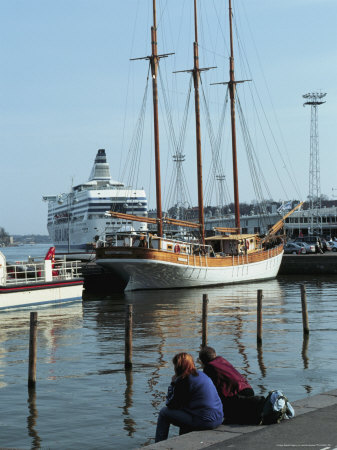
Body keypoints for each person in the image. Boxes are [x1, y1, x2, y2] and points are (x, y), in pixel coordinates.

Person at [155, 352, 223, 443]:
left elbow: (171, 404)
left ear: (178, 366)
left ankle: (158, 444)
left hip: (205, 421)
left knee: (164, 413)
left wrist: (172, 384)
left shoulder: (184, 380)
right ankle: (182, 440)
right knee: (184, 410)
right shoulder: (201, 375)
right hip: (218, 418)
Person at [199, 346, 264, 424]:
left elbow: (210, 391)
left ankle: (255, 404)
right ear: (214, 355)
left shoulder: (209, 368)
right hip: (248, 389)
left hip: (238, 394)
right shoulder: (222, 360)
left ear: (202, 361)